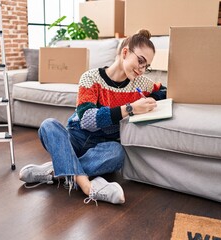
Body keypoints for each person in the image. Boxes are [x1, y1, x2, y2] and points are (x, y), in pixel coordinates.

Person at [19, 29, 167, 205]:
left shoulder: (141, 83)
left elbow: (164, 91)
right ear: (125, 52)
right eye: (140, 62)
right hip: (76, 137)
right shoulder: (90, 78)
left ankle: (56, 170)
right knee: (48, 125)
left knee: (117, 153)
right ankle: (87, 187)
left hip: (102, 146)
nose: (142, 70)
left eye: (146, 66)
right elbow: (87, 121)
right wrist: (130, 108)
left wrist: (151, 99)